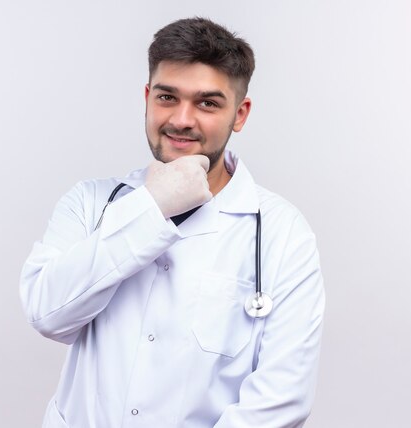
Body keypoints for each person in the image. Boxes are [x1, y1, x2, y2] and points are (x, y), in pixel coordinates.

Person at [20, 17, 325, 428]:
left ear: (240, 113)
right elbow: (48, 314)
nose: (182, 119)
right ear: (147, 97)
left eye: (208, 103)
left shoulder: (283, 234)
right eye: (167, 97)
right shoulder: (89, 203)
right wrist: (151, 207)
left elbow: (280, 400)